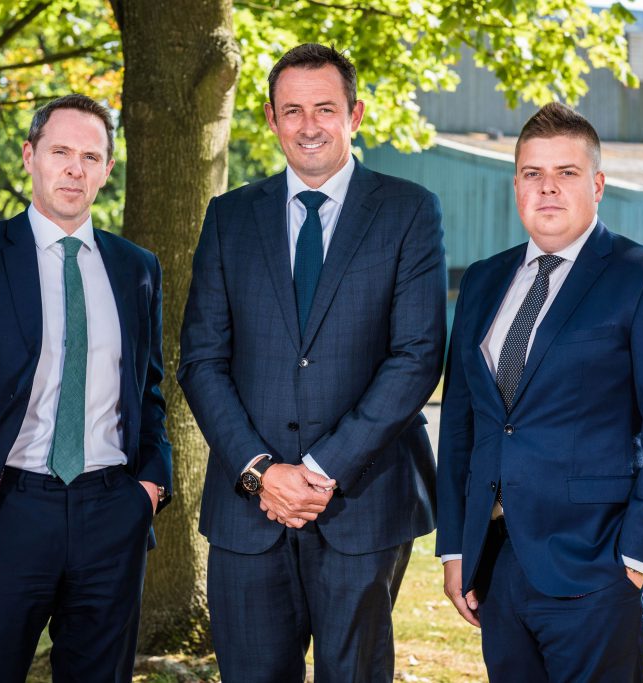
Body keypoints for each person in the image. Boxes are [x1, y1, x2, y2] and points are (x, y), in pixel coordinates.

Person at [178, 43, 446, 683]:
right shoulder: (229, 217)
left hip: (363, 504)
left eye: (325, 108)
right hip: (248, 511)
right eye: (292, 110)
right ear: (271, 119)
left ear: (355, 115)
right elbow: (202, 360)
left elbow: (416, 356)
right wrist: (260, 472)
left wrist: (321, 470)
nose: (308, 125)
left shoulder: (409, 210)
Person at [437, 102, 643, 681]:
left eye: (566, 172)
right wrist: (456, 548)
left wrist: (638, 558)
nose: (548, 188)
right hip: (495, 564)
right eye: (533, 173)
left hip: (597, 565)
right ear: (516, 186)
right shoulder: (483, 280)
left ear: (598, 185)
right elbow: (462, 421)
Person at [0, 93, 172, 683]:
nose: (75, 169)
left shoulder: (137, 268)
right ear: (30, 156)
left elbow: (148, 392)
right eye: (60, 152)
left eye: (91, 156)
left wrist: (149, 488)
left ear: (108, 169)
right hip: (6, 513)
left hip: (112, 511)